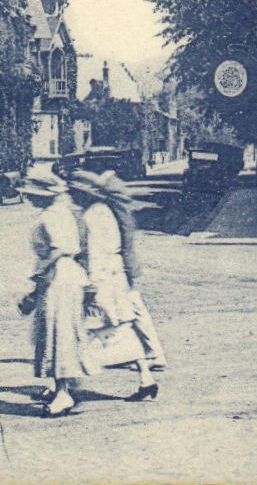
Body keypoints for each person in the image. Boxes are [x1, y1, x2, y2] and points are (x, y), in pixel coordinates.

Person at [70, 170, 164, 400]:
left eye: (76, 193)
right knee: (123, 330)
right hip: (116, 277)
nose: (73, 198)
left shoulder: (91, 216)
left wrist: (90, 286)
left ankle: (66, 386)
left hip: (103, 280)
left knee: (83, 330)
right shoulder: (107, 212)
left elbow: (94, 254)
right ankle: (146, 378)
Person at [18, 168, 91, 416]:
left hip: (58, 276)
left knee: (57, 331)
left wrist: (37, 282)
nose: (28, 198)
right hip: (67, 274)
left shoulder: (50, 216)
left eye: (31, 194)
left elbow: (57, 250)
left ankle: (63, 393)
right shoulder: (62, 213)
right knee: (59, 330)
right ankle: (61, 387)